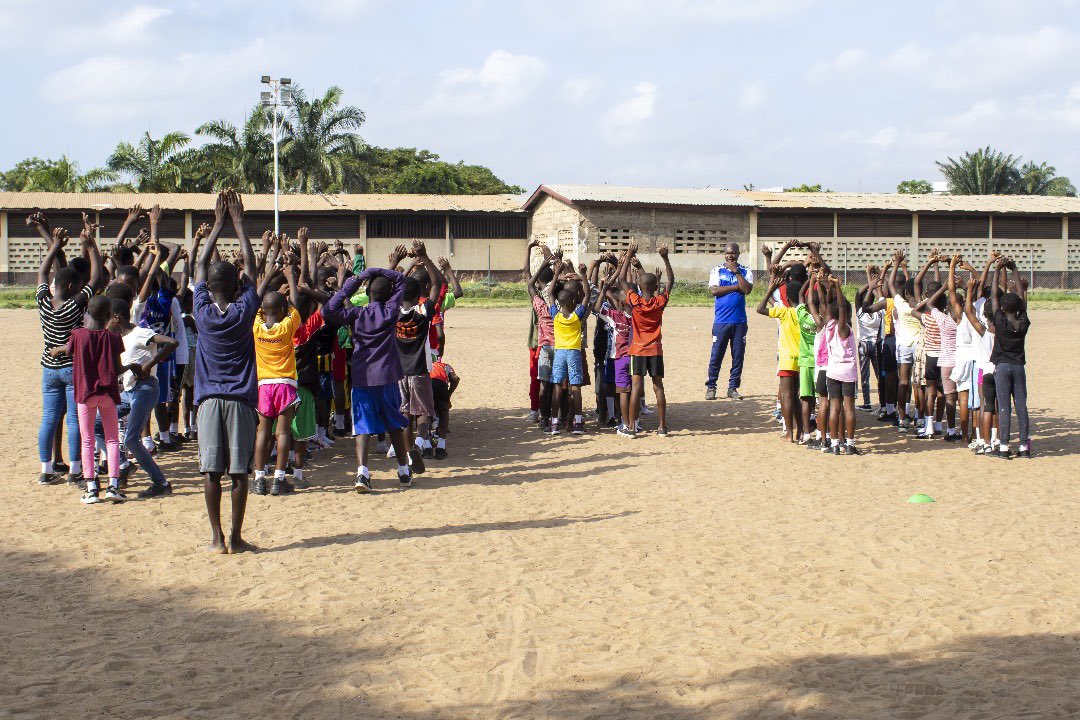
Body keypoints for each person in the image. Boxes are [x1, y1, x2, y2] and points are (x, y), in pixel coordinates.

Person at [192, 189, 260, 554]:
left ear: (208, 289)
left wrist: (217, 225)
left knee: (210, 472)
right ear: (236, 288)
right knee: (238, 473)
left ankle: (217, 539)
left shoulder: (202, 313)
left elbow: (200, 268)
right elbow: (251, 268)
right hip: (240, 401)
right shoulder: (243, 311)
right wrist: (238, 223)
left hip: (208, 402)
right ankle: (236, 538)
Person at [323, 245, 416, 492]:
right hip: (387, 377)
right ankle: (403, 471)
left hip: (362, 377)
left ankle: (363, 474)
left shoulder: (357, 314)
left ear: (368, 293)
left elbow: (328, 310)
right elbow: (401, 280)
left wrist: (356, 279)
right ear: (388, 296)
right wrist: (375, 270)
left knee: (362, 427)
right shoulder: (390, 311)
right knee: (394, 423)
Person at [34, 218, 102, 486]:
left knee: (49, 417)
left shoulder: (43, 304)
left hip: (48, 368)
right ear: (73, 287)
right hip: (72, 366)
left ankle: (46, 469)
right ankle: (75, 469)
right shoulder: (73, 307)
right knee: (75, 418)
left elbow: (41, 274)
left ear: (55, 286)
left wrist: (55, 247)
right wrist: (90, 245)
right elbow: (96, 279)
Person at [251, 239, 303, 497]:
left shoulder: (257, 326)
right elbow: (295, 301)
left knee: (264, 432)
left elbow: (258, 302)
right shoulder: (287, 326)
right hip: (286, 385)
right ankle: (279, 479)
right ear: (283, 310)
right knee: (283, 433)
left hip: (264, 386)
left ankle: (259, 477)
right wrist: (290, 277)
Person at [113, 297, 179, 498]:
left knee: (132, 439)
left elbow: (171, 342)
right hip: (127, 391)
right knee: (97, 423)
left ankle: (161, 482)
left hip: (145, 389)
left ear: (116, 318)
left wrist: (148, 365)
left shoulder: (140, 333)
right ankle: (123, 465)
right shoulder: (117, 338)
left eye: (107, 319)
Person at [395, 240, 445, 462]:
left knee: (405, 413)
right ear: (418, 297)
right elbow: (437, 283)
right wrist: (424, 257)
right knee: (424, 412)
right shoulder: (424, 311)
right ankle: (418, 443)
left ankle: (406, 455)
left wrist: (400, 264)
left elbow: (389, 288)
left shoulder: (392, 312)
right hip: (420, 370)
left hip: (398, 373)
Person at [620, 243, 673, 438]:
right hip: (655, 350)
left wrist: (628, 256)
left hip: (638, 349)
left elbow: (621, 280)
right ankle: (662, 427)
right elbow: (671, 281)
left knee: (636, 387)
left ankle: (632, 428)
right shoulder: (659, 302)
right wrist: (665, 258)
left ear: (640, 288)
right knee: (658, 387)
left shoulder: (635, 301)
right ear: (656, 287)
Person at [990, 257, 1031, 459]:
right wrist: (1014, 269)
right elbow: (1022, 299)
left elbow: (994, 297)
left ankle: (1004, 446)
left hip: (1002, 366)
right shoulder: (1022, 323)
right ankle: (1024, 446)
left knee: (1004, 406)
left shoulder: (999, 320)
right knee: (1021, 406)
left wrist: (997, 270)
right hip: (1018, 367)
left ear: (1003, 309)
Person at [756, 268, 803, 442]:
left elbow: (760, 308)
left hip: (786, 359)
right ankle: (799, 431)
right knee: (797, 395)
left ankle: (789, 432)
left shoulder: (784, 312)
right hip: (802, 359)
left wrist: (769, 290)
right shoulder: (805, 312)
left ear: (788, 299)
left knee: (786, 395)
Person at [548, 257, 592, 436]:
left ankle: (554, 424)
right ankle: (578, 423)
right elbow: (587, 295)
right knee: (576, 388)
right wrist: (582, 276)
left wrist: (557, 272)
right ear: (574, 302)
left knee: (557, 386)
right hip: (574, 352)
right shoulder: (577, 316)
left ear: (559, 303)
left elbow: (550, 294)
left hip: (559, 354)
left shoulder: (555, 316)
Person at [705, 241, 753, 400]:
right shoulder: (716, 270)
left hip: (739, 321)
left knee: (738, 356)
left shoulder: (745, 271)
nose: (730, 255)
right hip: (721, 321)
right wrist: (735, 287)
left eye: (733, 253)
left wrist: (737, 273)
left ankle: (732, 388)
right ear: (724, 254)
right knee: (716, 355)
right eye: (728, 253)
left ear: (738, 254)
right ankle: (711, 387)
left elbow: (747, 289)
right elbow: (714, 290)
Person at [822, 274, 860, 454]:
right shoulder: (842, 329)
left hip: (832, 371)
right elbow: (842, 307)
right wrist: (838, 286)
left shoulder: (828, 325)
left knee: (834, 408)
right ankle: (850, 444)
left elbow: (828, 305)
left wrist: (830, 288)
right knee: (848, 408)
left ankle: (835, 444)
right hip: (847, 372)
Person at [527, 246, 558, 432]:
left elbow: (530, 285)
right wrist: (558, 269)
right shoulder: (562, 303)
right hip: (561, 346)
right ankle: (561, 417)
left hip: (545, 347)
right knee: (560, 385)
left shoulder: (539, 303)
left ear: (539, 281)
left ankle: (544, 418)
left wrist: (544, 265)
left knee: (544, 384)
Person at [430, 358, 459, 459]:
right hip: (440, 384)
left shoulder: (425, 364)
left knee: (425, 413)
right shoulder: (445, 366)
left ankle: (427, 448)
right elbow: (455, 378)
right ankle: (441, 447)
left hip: (426, 383)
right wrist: (449, 393)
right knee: (444, 410)